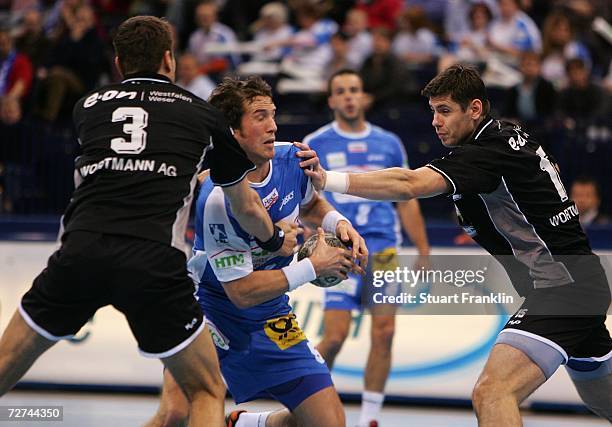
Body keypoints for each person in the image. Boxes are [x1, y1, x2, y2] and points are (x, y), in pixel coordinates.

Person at [0, 16, 284, 427]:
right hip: (153, 260)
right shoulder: (204, 117)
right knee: (205, 389)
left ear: (119, 63)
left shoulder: (87, 107)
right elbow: (246, 208)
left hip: (81, 251)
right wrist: (276, 241)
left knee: (6, 361)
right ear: (169, 58)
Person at [296, 64, 612, 424]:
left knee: (492, 392)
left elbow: (408, 185)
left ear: (474, 109)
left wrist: (325, 179)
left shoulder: (486, 151)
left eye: (444, 111)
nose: (435, 122)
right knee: (604, 402)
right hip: (578, 282)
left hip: (562, 288)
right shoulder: (503, 138)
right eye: (433, 111)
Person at [145, 75, 368, 427]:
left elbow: (310, 205)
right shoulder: (219, 199)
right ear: (233, 131)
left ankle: (249, 423)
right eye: (260, 116)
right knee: (175, 414)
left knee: (327, 422)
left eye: (273, 114)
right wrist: (312, 267)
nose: (273, 125)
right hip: (212, 312)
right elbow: (241, 293)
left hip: (272, 315)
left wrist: (337, 223)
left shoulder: (291, 158)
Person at [303, 69, 430, 427]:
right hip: (340, 245)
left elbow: (407, 199)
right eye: (341, 91)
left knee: (385, 332)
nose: (348, 96)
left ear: (364, 97)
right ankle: (305, 406)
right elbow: (305, 199)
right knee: (335, 336)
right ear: (331, 100)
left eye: (354, 90)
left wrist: (422, 248)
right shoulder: (316, 141)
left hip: (384, 246)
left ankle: (370, 418)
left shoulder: (388, 142)